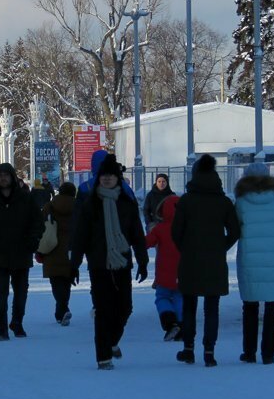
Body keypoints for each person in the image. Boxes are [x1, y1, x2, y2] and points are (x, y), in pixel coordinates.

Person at [71, 155, 148, 370]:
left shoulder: (127, 204)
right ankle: (103, 356)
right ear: (98, 178)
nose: (107, 179)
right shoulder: (90, 205)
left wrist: (142, 261)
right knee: (103, 310)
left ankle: (112, 340)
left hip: (122, 262)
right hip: (98, 263)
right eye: (103, 176)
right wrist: (74, 264)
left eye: (111, 176)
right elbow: (80, 236)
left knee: (125, 307)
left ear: (117, 178)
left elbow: (137, 235)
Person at [172, 154, 239, 368]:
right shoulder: (223, 201)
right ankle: (209, 351)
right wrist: (221, 247)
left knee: (189, 305)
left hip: (190, 261)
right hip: (215, 262)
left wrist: (186, 248)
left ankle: (188, 349)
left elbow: (176, 232)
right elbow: (235, 230)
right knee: (212, 307)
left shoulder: (186, 201)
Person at [0, 163, 44, 341]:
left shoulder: (26, 199)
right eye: (0, 175)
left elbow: (38, 223)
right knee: (0, 292)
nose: (3, 178)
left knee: (21, 292)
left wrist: (33, 241)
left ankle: (17, 322)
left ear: (12, 177)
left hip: (21, 251)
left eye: (6, 175)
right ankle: (2, 328)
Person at [234, 162, 274, 365]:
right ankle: (268, 353)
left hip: (250, 260)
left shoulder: (241, 202)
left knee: (250, 307)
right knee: (273, 308)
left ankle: (249, 351)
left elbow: (235, 229)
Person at [145, 195, 183, 341]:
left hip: (164, 274)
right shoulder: (186, 228)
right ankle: (181, 324)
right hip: (183, 272)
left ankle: (170, 322)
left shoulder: (160, 229)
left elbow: (147, 243)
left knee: (162, 297)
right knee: (180, 297)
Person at [39, 182, 76, 326]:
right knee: (66, 281)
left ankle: (62, 309)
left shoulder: (50, 206)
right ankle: (62, 310)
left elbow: (40, 225)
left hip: (51, 246)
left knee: (56, 281)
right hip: (71, 248)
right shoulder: (78, 206)